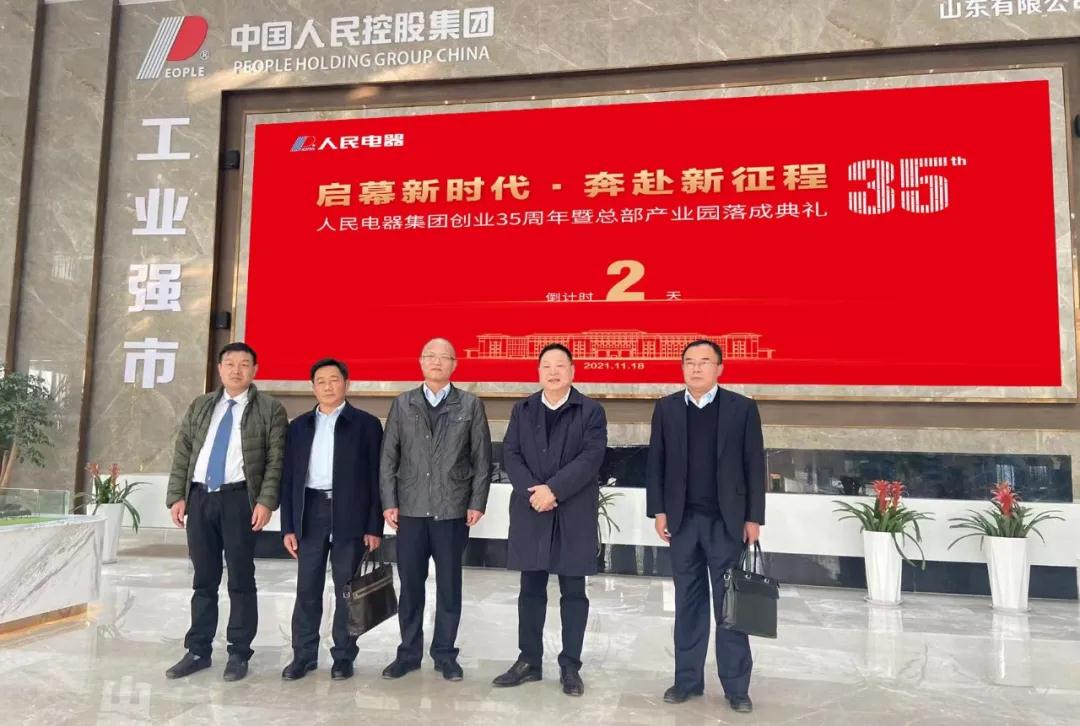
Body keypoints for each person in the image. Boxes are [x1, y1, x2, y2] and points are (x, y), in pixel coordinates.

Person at [645, 339, 766, 714]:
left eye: (704, 362)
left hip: (727, 523)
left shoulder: (742, 408)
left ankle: (736, 687)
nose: (695, 368)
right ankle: (687, 680)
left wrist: (753, 517)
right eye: (689, 362)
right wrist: (659, 511)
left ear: (719, 368)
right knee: (688, 603)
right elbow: (656, 463)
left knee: (731, 606)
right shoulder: (666, 408)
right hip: (682, 522)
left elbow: (754, 465)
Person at [164, 342, 288, 682]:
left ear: (255, 370)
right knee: (203, 579)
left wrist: (265, 501)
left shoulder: (270, 409)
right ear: (220, 369)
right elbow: (183, 451)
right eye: (230, 363)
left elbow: (276, 461)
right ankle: (198, 650)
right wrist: (178, 496)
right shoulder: (202, 405)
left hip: (239, 500)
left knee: (240, 578)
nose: (236, 370)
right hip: (200, 498)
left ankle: (238, 652)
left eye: (244, 364)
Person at [492, 343, 607, 697]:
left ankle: (570, 665)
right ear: (538, 372)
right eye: (546, 366)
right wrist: (534, 492)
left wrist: (553, 490)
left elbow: (591, 458)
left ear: (572, 371)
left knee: (573, 592)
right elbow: (511, 453)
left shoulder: (590, 411)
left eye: (560, 365)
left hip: (572, 511)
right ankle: (529, 660)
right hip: (531, 510)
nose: (553, 372)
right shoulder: (523, 409)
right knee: (530, 590)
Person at [379, 337, 492, 681]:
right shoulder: (403, 403)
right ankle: (408, 653)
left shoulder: (470, 405)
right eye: (430, 356)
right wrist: (389, 501)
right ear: (420, 361)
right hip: (410, 509)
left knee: (449, 586)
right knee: (410, 586)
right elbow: (388, 457)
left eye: (444, 357)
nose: (437, 362)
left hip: (452, 510)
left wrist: (476, 502)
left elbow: (482, 459)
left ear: (455, 364)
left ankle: (445, 654)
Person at [279, 358, 384, 681]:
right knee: (307, 588)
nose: (328, 386)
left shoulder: (366, 425)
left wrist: (374, 526)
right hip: (310, 512)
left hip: (350, 514)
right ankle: (303, 656)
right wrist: (288, 526)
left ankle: (343, 656)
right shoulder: (299, 427)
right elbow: (288, 479)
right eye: (321, 381)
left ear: (347, 384)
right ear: (312, 387)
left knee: (348, 590)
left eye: (334, 380)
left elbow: (376, 479)